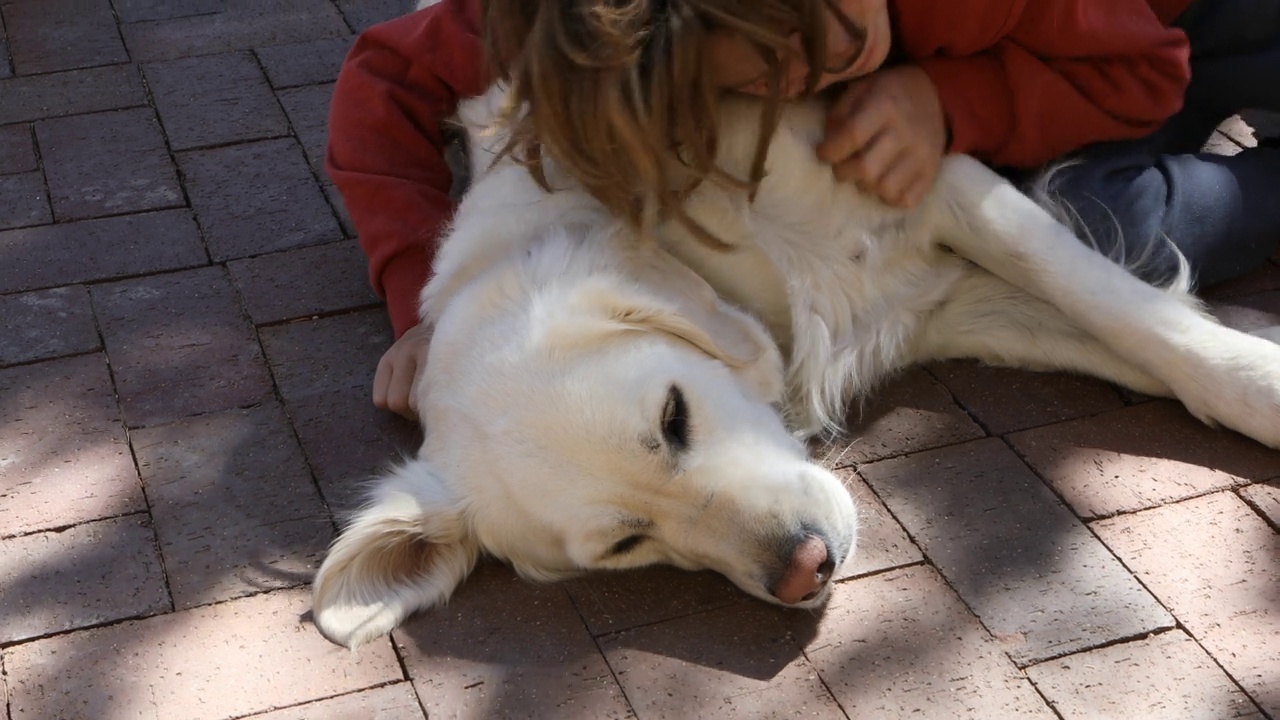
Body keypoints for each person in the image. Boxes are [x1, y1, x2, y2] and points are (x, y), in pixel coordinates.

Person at [327, 0, 1280, 420]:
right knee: (1105, 229)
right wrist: (429, 299)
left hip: (1175, 31)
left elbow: (1148, 72)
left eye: (837, 29)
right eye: (774, 73)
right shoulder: (572, 21)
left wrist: (951, 102)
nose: (832, 61)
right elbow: (384, 76)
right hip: (1074, 85)